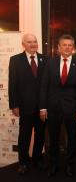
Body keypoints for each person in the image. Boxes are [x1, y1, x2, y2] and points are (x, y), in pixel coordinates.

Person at [39, 34, 76, 177]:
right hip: (53, 108)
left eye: (70, 45)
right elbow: (44, 86)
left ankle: (70, 165)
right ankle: (54, 164)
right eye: (64, 45)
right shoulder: (50, 63)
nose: (67, 48)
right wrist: (43, 108)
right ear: (59, 48)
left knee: (72, 139)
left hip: (72, 109)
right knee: (53, 138)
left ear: (73, 48)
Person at [8, 33, 48, 174]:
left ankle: (37, 159)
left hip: (42, 107)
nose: (33, 44)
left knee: (40, 135)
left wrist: (46, 106)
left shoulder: (45, 59)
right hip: (24, 107)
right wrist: (14, 105)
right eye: (29, 42)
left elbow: (47, 84)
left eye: (35, 41)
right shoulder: (15, 60)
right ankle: (23, 162)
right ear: (23, 44)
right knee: (24, 136)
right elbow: (12, 85)